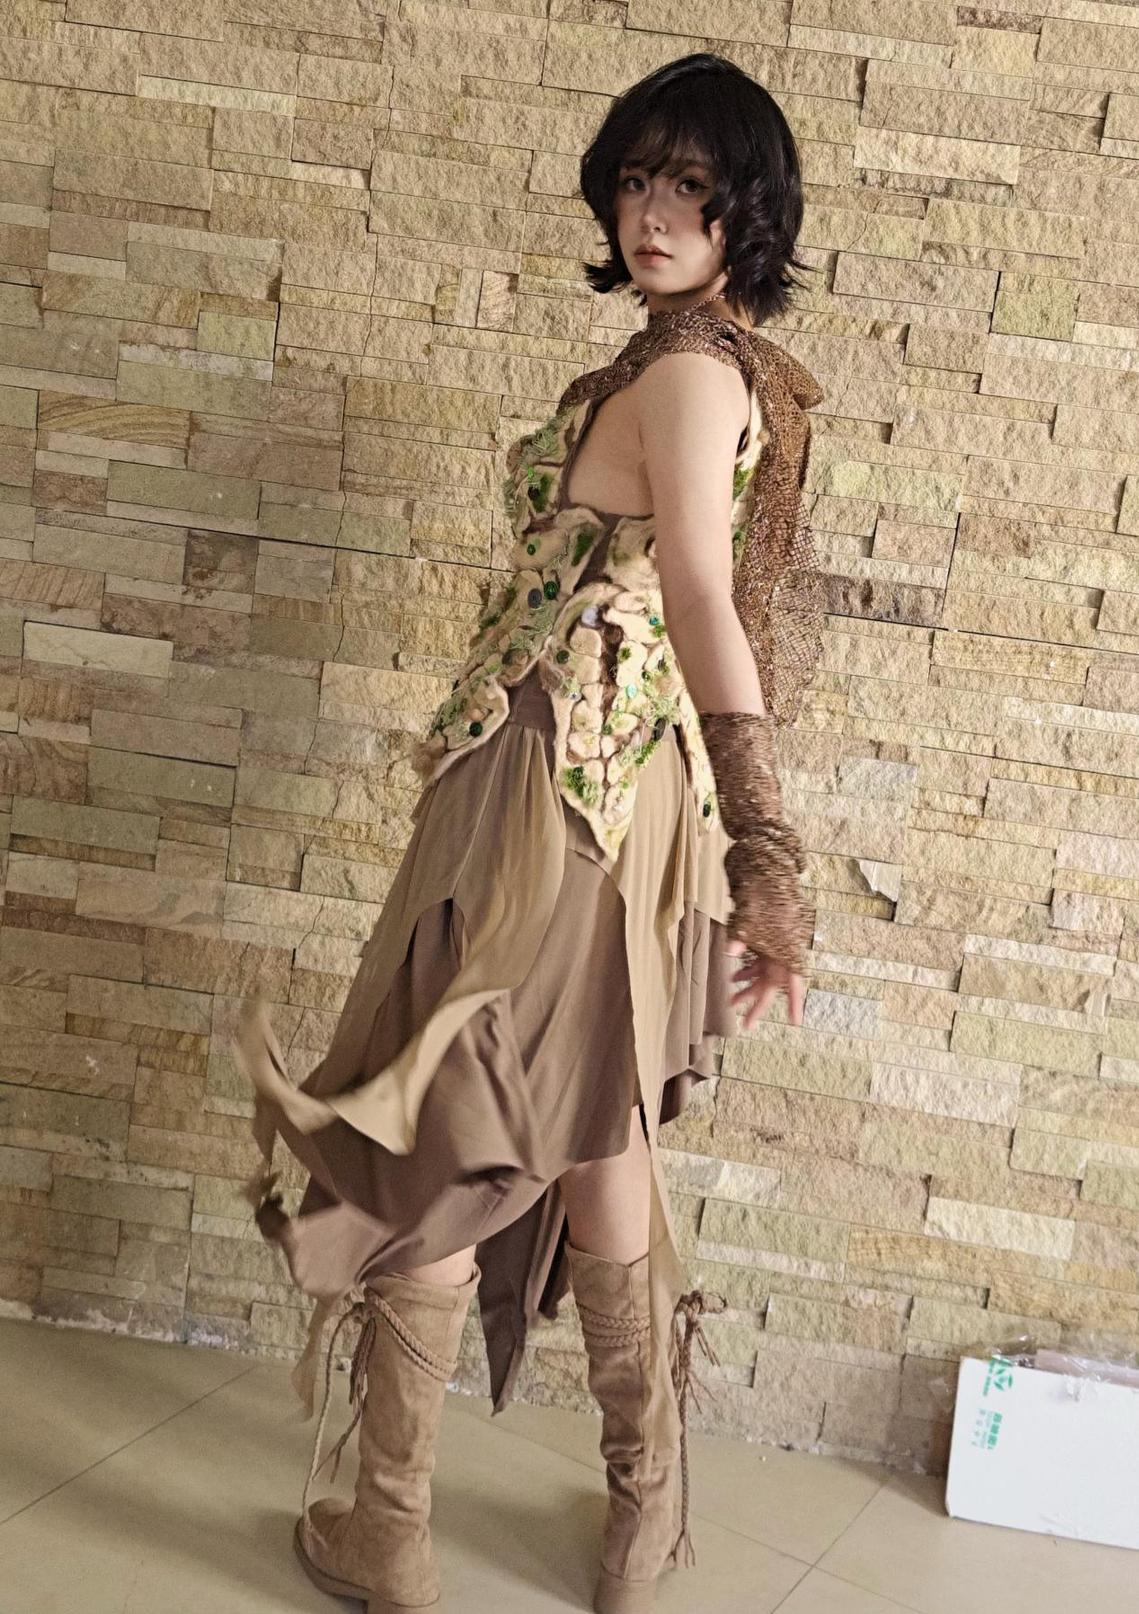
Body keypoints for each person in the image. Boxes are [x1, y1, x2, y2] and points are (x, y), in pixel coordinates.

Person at [232, 49, 826, 1614]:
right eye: (636, 179)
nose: (652, 211)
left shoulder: (689, 376)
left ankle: (393, 1530)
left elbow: (700, 595)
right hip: (605, 792)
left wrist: (768, 851)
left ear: (747, 209)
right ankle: (640, 1520)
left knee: (448, 1132)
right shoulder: (700, 365)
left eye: (691, 184)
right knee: (594, 1119)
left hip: (554, 790)